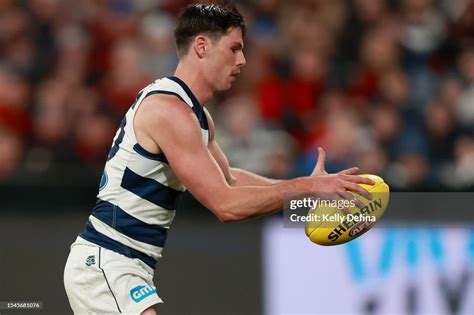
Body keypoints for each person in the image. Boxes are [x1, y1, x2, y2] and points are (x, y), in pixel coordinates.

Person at [63, 3, 374, 314]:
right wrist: (306, 188)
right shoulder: (171, 113)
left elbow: (230, 180)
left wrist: (306, 196)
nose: (242, 60)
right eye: (234, 48)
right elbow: (226, 205)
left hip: (121, 264)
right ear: (201, 46)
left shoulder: (195, 115)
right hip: (106, 261)